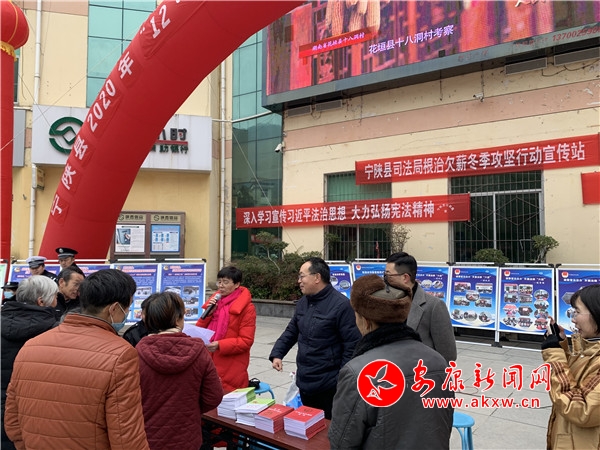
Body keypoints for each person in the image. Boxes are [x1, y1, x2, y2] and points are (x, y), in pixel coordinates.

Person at [4, 269, 149, 449]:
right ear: (113, 309)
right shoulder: (121, 354)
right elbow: (126, 436)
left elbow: (12, 420)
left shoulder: (31, 346)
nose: (127, 313)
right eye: (127, 307)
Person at [329, 274, 454, 449]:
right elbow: (444, 424)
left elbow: (342, 442)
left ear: (366, 321)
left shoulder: (357, 372)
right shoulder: (439, 362)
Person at [270, 257, 361, 419]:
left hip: (329, 385)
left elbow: (352, 346)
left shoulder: (341, 305)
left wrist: (340, 379)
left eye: (302, 276)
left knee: (328, 427)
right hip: (305, 379)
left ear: (317, 277)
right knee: (308, 424)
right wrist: (278, 353)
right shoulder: (303, 303)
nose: (299, 281)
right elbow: (291, 331)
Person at [137, 292, 223, 450]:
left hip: (148, 438)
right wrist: (190, 407)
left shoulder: (136, 354)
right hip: (187, 438)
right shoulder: (199, 352)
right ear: (178, 319)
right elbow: (214, 396)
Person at [1, 276, 58, 450]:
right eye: (55, 297)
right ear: (41, 302)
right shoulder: (55, 332)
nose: (57, 302)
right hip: (36, 416)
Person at [541, 284, 600, 450]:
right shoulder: (591, 351)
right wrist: (561, 344)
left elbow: (580, 409)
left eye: (577, 312)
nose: (573, 319)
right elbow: (577, 378)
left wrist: (554, 356)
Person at [385, 252, 457, 362]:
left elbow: (448, 354)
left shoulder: (434, 306)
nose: (385, 279)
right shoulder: (386, 301)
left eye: (389, 275)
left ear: (405, 277)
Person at [195, 266, 256, 393]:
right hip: (209, 361)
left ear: (237, 284)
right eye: (219, 281)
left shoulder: (247, 308)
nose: (221, 285)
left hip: (231, 365)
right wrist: (208, 314)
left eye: (226, 282)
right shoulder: (214, 304)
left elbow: (246, 341)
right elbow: (199, 330)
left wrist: (220, 345)